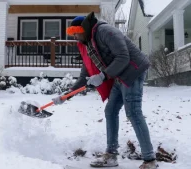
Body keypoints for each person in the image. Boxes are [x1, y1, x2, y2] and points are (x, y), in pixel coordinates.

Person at [52, 12, 157, 169]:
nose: (75, 37)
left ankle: (150, 160)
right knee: (111, 110)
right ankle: (111, 155)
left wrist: (103, 75)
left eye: (76, 33)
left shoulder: (105, 31)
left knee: (133, 112)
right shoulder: (88, 44)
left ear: (84, 29)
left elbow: (123, 57)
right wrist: (66, 95)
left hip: (133, 70)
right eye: (73, 34)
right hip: (119, 75)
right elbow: (85, 73)